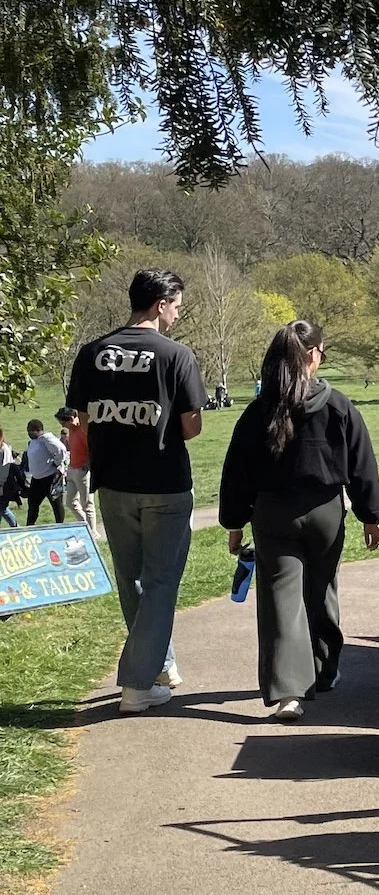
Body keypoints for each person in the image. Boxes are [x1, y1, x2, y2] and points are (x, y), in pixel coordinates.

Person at [220, 320, 379, 721]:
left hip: (273, 512)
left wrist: (234, 522)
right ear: (313, 355)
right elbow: (362, 464)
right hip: (326, 510)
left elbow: (237, 470)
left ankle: (288, 691)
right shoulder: (338, 404)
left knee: (280, 599)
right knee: (322, 588)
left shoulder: (259, 410)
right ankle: (324, 670)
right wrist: (371, 516)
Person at [66, 268, 206, 714]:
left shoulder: (91, 353)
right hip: (165, 484)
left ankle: (160, 664)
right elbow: (191, 427)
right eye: (177, 306)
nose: (178, 315)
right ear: (161, 304)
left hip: (114, 485)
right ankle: (136, 685)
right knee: (162, 583)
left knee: (132, 580)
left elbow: (82, 421)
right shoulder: (176, 354)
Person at [55, 407, 98, 538]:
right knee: (71, 503)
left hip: (82, 471)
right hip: (72, 469)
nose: (62, 425)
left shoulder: (83, 430)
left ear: (71, 418)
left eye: (64, 422)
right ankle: (85, 526)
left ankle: (93, 533)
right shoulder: (71, 431)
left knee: (87, 504)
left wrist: (88, 466)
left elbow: (93, 449)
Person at [24, 419, 68, 525]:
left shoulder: (47, 439)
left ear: (38, 430)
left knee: (56, 504)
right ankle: (29, 527)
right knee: (32, 506)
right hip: (37, 479)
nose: (29, 434)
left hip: (50, 478)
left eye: (30, 431)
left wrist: (57, 463)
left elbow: (61, 450)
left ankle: (60, 526)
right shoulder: (34, 441)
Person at [0, 428, 18, 527]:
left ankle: (16, 528)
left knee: (3, 509)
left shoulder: (3, 450)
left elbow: (5, 468)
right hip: (3, 483)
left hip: (3, 484)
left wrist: (1, 485)